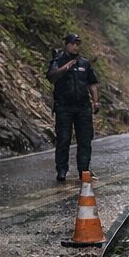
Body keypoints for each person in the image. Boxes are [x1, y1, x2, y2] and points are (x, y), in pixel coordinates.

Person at [47, 33, 99, 182]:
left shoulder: (84, 63)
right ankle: (62, 170)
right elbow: (51, 77)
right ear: (67, 44)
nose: (76, 46)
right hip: (64, 106)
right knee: (63, 139)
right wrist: (65, 68)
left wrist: (96, 101)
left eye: (78, 44)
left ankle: (84, 170)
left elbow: (93, 83)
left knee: (85, 140)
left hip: (83, 107)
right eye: (73, 43)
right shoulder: (58, 60)